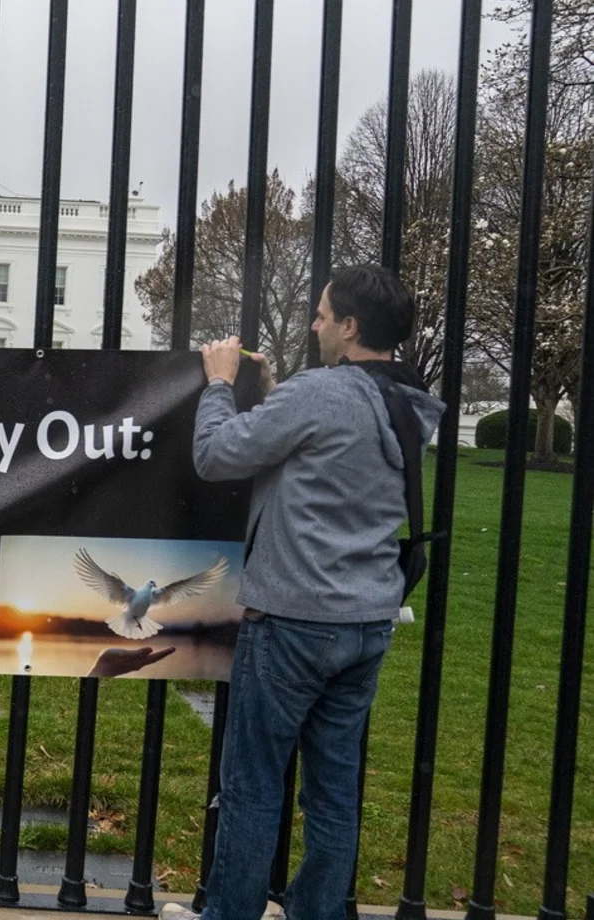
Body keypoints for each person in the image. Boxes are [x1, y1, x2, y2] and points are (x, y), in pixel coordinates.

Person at [165, 265, 444, 920]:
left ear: (348, 327)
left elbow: (215, 456)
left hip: (291, 620)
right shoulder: (409, 402)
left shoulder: (319, 393)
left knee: (252, 788)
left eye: (320, 315)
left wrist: (217, 386)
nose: (314, 324)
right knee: (332, 793)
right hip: (367, 621)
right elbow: (322, 461)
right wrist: (273, 398)